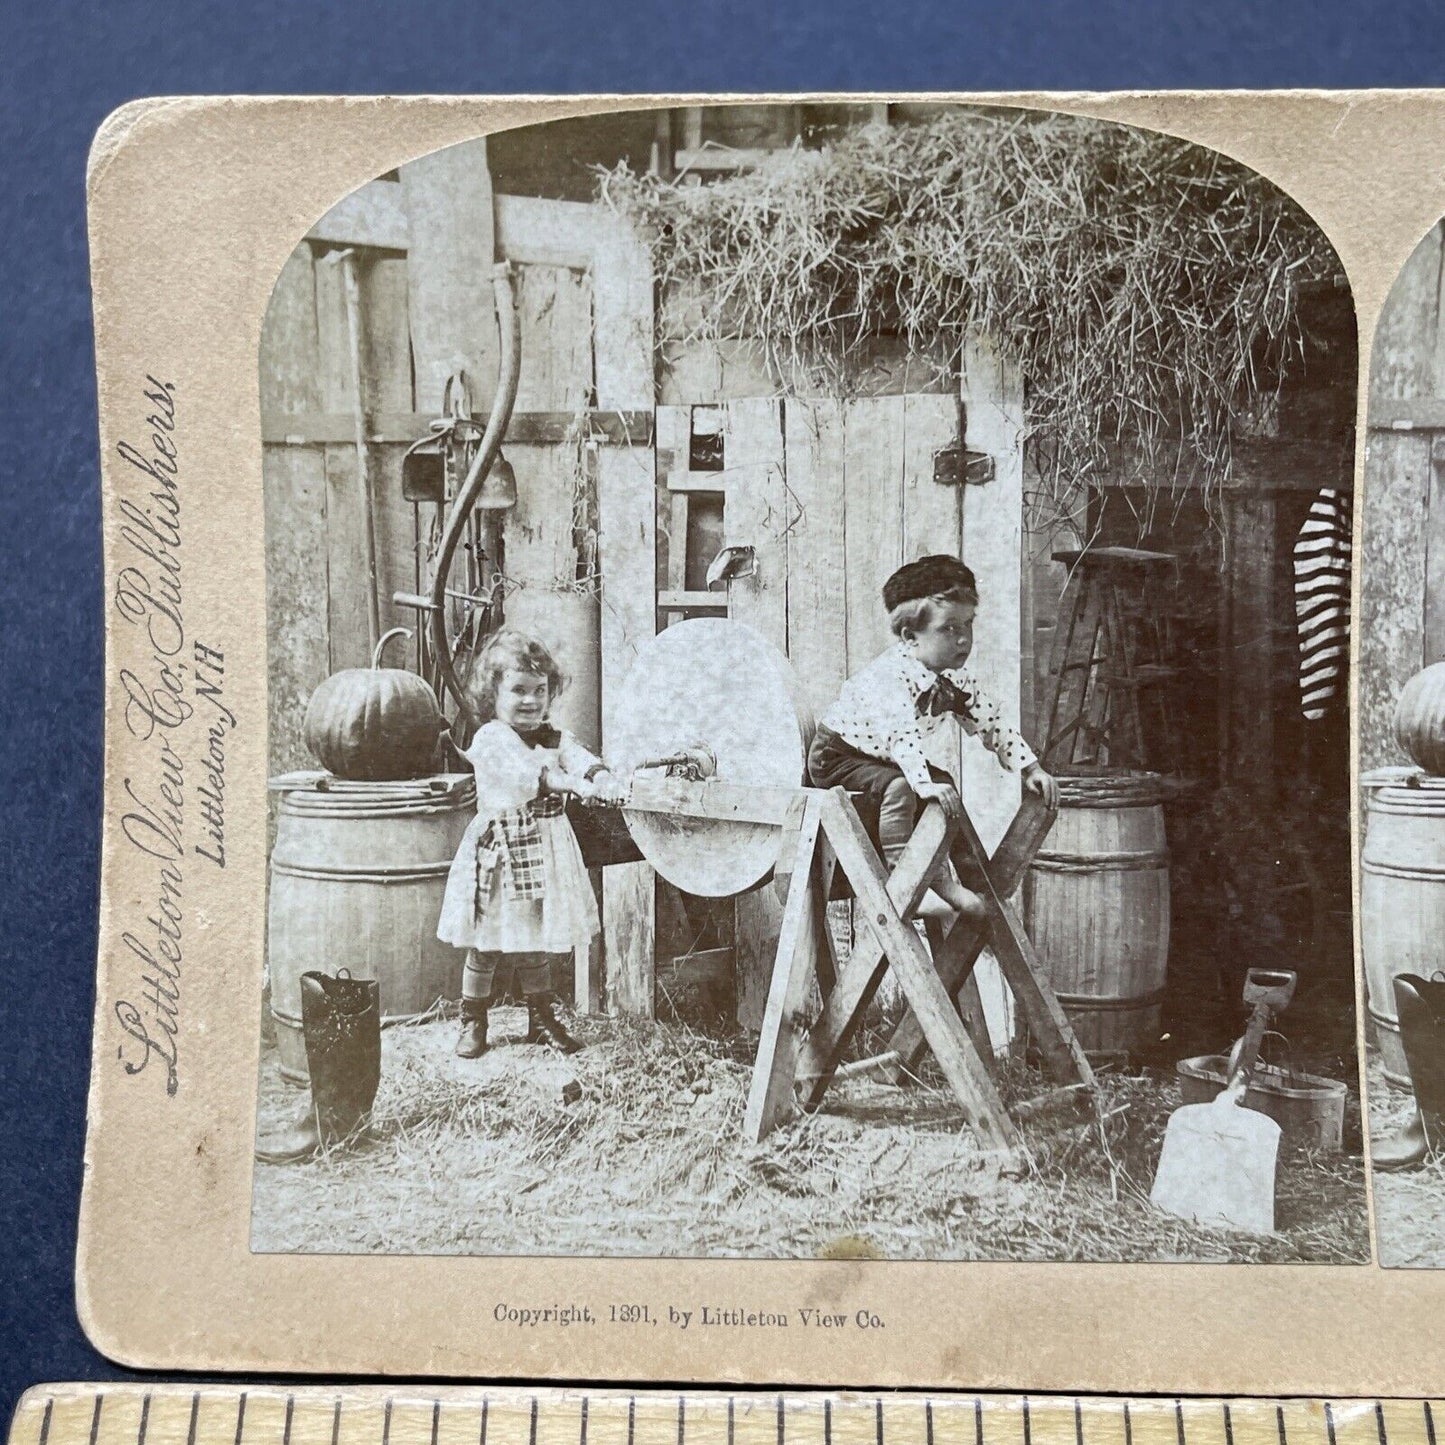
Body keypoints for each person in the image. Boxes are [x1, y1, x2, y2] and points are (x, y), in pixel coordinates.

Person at [807, 555, 1058, 916]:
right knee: (905, 787)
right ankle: (908, 881)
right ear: (910, 636)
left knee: (944, 784)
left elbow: (992, 722)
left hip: (883, 755)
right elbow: (901, 735)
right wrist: (921, 783)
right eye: (948, 628)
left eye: (968, 626)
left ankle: (970, 881)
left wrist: (1030, 768)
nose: (963, 640)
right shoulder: (891, 676)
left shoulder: (955, 679)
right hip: (838, 755)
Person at [436, 630, 624, 1057]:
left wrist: (601, 777)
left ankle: (540, 1018)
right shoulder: (492, 739)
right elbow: (537, 777)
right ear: (494, 694)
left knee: (535, 937)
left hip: (546, 848)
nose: (530, 700)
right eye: (518, 690)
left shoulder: (554, 737)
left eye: (540, 690)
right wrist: (574, 785)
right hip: (502, 852)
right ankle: (474, 1019)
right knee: (486, 942)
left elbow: (580, 759)